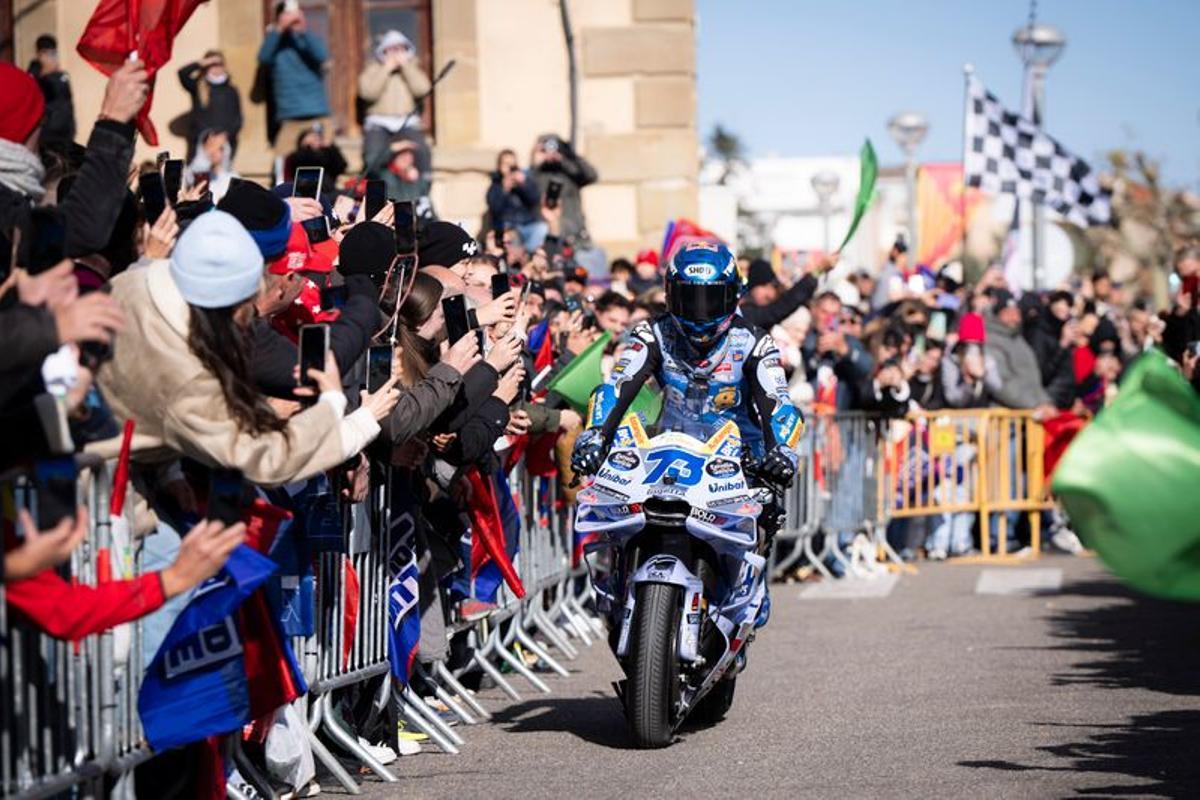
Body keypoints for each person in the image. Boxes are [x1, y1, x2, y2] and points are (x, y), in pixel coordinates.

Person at [571, 241, 804, 549]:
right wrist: (596, 434)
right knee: (618, 528)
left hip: (738, 462)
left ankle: (746, 588)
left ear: (733, 295)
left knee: (765, 514)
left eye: (711, 299)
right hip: (665, 453)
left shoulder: (755, 342)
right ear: (670, 294)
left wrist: (782, 451)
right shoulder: (651, 333)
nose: (700, 311)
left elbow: (779, 403)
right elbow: (617, 385)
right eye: (689, 299)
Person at [258, 1, 331, 164]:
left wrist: (302, 31)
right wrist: (279, 29)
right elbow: (263, 58)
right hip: (289, 116)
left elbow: (322, 56)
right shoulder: (274, 41)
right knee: (282, 163)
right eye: (288, 14)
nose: (293, 18)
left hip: (317, 114)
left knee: (326, 160)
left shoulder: (306, 38)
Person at [359, 29, 432, 187]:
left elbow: (423, 90)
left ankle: (424, 192)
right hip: (378, 122)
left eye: (400, 49)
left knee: (422, 152)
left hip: (407, 121)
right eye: (392, 49)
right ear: (383, 51)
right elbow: (368, 93)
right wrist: (386, 68)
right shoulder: (373, 69)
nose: (396, 54)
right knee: (373, 156)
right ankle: (374, 193)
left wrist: (406, 67)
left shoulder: (413, 68)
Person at [177, 50, 243, 162]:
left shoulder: (231, 90)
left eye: (219, 64)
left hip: (224, 145)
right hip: (201, 143)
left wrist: (224, 136)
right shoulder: (199, 86)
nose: (216, 68)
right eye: (212, 65)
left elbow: (238, 119)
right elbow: (182, 73)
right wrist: (202, 62)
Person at [486, 149, 544, 249]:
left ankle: (528, 255)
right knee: (512, 235)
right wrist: (504, 190)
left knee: (542, 228)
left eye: (512, 165)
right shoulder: (495, 186)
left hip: (527, 224)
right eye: (506, 164)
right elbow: (495, 209)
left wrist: (524, 184)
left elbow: (535, 200)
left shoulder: (524, 181)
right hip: (507, 226)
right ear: (499, 167)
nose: (510, 168)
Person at [26, 34, 74, 150]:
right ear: (40, 55)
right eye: (49, 54)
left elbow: (67, 103)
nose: (53, 58)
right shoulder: (32, 76)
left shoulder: (61, 76)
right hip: (45, 135)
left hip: (64, 134)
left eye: (54, 54)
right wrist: (44, 75)